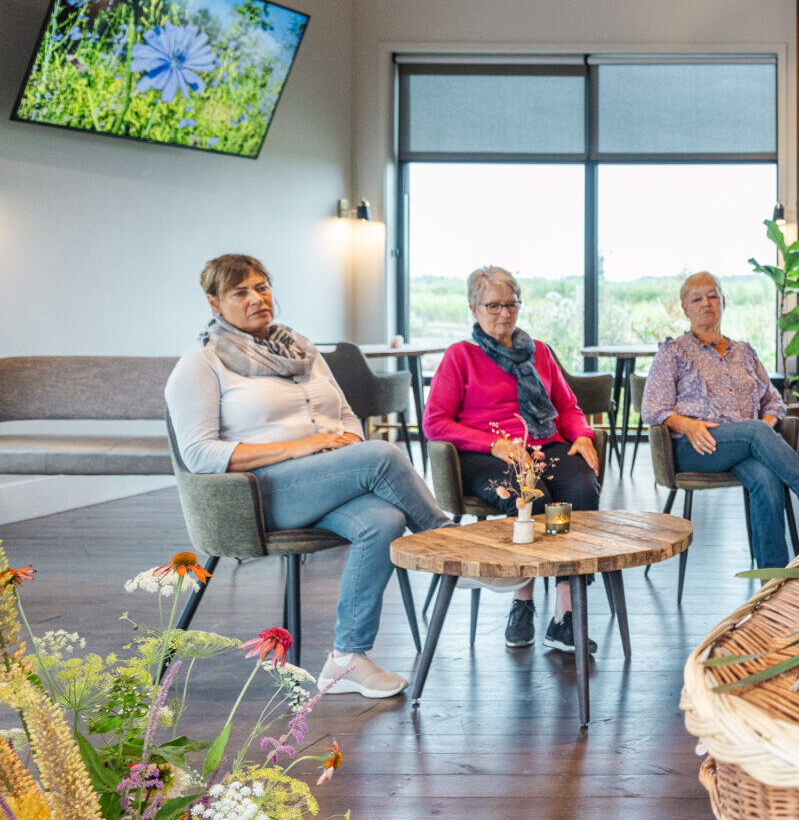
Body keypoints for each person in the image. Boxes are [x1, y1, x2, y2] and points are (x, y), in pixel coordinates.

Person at [165, 254, 450, 699]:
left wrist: (349, 446)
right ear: (214, 304)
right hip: (260, 494)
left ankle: (345, 659)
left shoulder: (301, 351)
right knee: (381, 456)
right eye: (240, 292)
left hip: (323, 479)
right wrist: (302, 448)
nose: (257, 297)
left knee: (385, 521)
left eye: (262, 286)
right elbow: (199, 454)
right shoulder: (200, 365)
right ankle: (449, 547)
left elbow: (345, 415)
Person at [424, 266, 603, 654]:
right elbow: (435, 423)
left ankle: (564, 614)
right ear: (474, 308)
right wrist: (491, 443)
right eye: (493, 305)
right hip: (485, 454)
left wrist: (584, 436)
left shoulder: (539, 351)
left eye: (511, 303)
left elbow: (567, 407)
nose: (504, 313)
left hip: (544, 444)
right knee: (532, 499)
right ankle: (522, 602)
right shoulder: (461, 356)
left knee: (579, 495)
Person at [642, 272, 799, 569]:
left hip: (743, 445)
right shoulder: (673, 352)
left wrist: (762, 435)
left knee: (765, 479)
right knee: (754, 433)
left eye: (713, 296)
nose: (706, 303)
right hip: (696, 447)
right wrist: (689, 425)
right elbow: (652, 408)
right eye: (696, 298)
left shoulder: (744, 352)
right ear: (685, 308)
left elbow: (774, 402)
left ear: (724, 301)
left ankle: (772, 578)